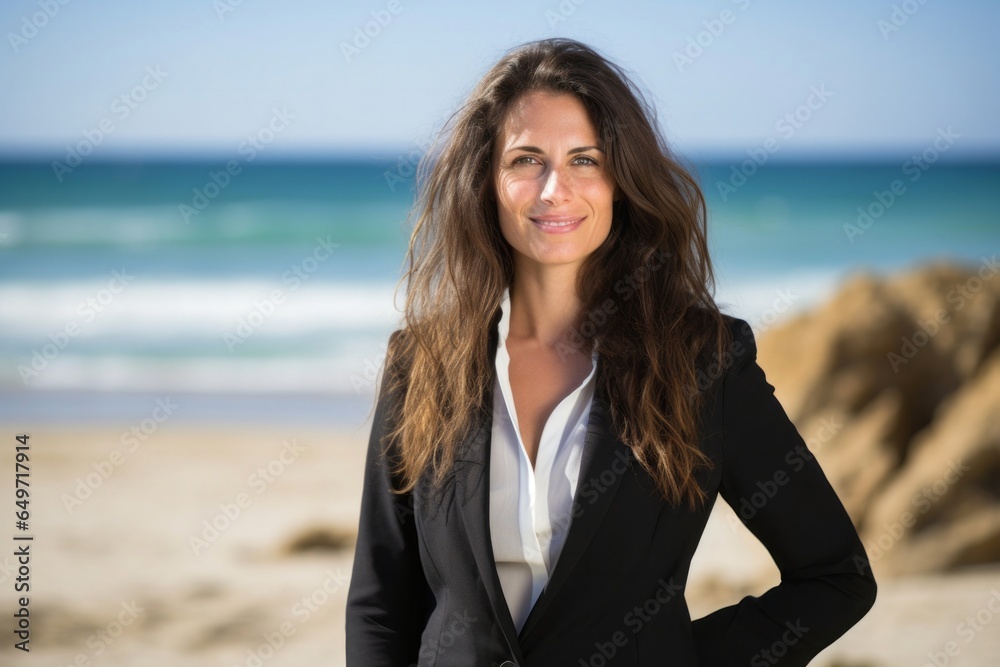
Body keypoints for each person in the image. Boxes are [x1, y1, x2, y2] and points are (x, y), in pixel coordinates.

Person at [345, 37, 876, 666]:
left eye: (584, 160)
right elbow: (380, 603)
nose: (553, 190)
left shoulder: (700, 360)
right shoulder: (422, 363)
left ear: (621, 180)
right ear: (486, 180)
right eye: (526, 160)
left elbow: (834, 577)